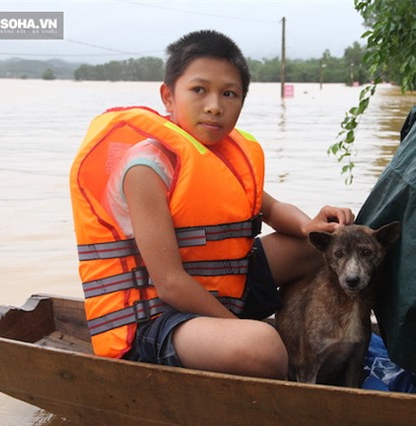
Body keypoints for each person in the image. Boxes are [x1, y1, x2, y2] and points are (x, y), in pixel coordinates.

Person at [70, 30, 354, 380]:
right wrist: (235, 328)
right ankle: (269, 354)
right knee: (261, 346)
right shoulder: (146, 168)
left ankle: (298, 338)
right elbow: (171, 283)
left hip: (219, 296)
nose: (215, 105)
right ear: (168, 96)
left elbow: (272, 208)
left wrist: (307, 226)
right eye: (199, 90)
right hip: (154, 319)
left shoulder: (227, 156)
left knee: (321, 247)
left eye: (229, 94)